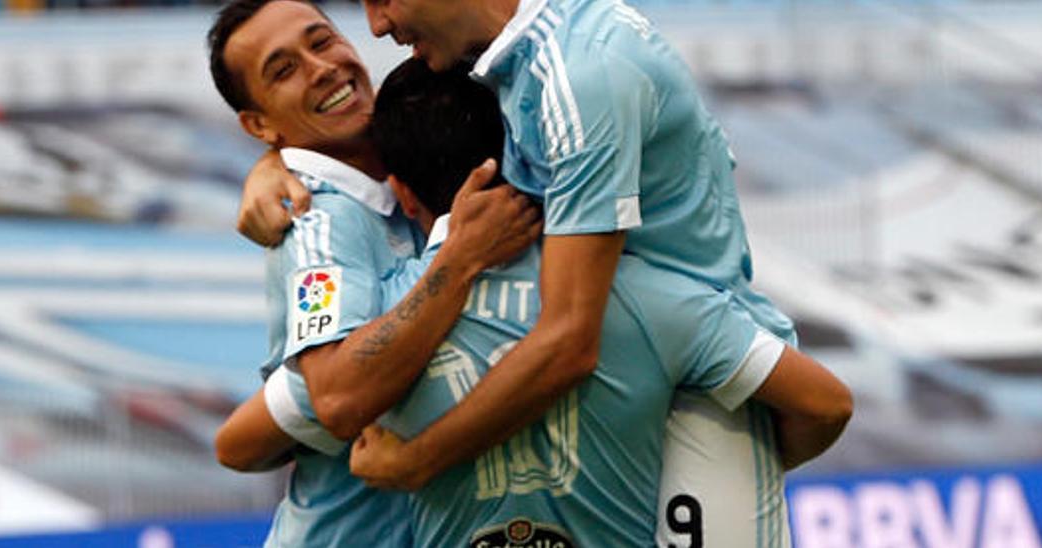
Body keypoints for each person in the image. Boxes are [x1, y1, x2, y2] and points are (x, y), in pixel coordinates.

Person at [237, 1, 849, 544]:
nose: (374, 26)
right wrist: (275, 162)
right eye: (282, 70)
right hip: (694, 364)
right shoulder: (525, 68)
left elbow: (568, 342)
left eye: (325, 37)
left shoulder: (575, 78)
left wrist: (419, 461)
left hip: (702, 398)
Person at [203, 1, 539, 545]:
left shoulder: (416, 147)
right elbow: (334, 398)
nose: (322, 68)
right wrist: (460, 257)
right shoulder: (314, 220)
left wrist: (269, 165)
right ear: (258, 123)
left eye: (321, 41)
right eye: (283, 69)